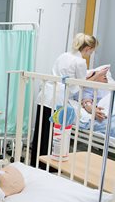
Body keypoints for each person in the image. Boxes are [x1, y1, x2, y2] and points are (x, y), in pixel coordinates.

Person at [31, 33, 103, 167]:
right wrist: (97, 76)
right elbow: (80, 84)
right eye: (92, 51)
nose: (91, 53)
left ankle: (36, 162)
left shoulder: (63, 55)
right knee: (52, 133)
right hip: (58, 97)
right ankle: (47, 166)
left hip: (46, 94)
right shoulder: (80, 61)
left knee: (42, 130)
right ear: (88, 48)